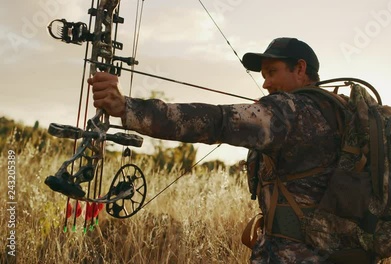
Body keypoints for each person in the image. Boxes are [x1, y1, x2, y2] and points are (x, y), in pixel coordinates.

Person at [89, 37, 368, 263]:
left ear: (300, 69)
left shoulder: (293, 112)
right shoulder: (337, 110)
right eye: (263, 75)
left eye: (272, 72)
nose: (266, 83)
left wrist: (127, 108)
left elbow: (215, 122)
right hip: (334, 253)